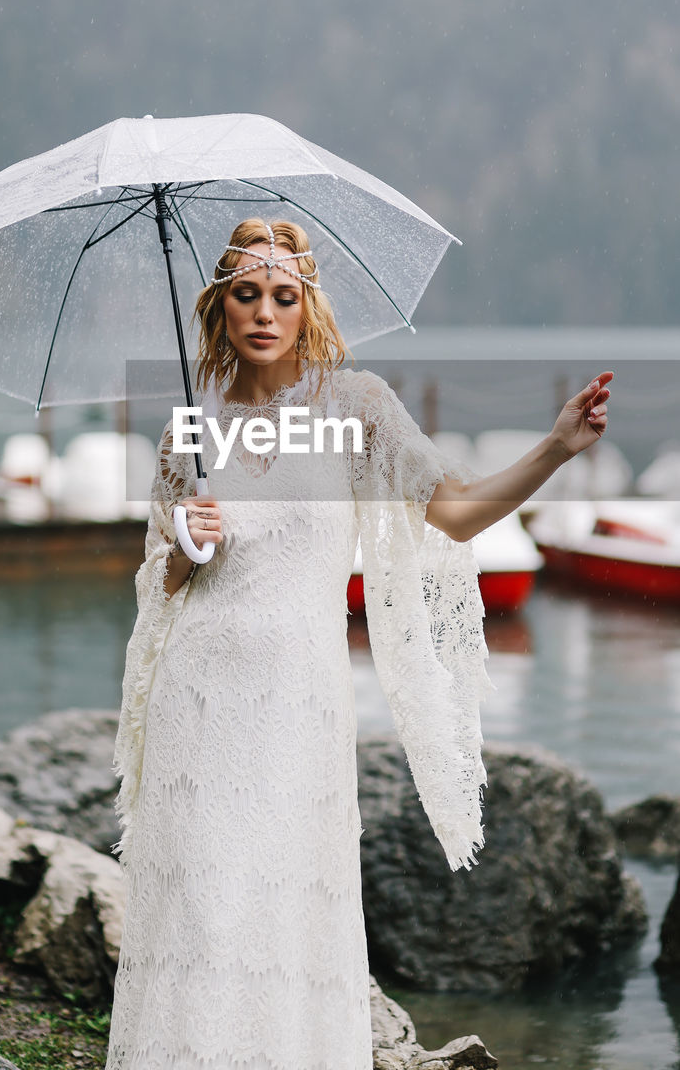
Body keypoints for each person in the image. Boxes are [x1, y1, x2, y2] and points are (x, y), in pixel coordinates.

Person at [106, 217, 612, 1070]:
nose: (264, 311)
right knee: (200, 906)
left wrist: (554, 450)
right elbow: (161, 587)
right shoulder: (188, 431)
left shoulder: (354, 407)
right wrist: (189, 545)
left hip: (297, 704)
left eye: (283, 296)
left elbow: (453, 513)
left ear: (307, 308)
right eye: (245, 294)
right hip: (198, 701)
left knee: (282, 909)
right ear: (219, 308)